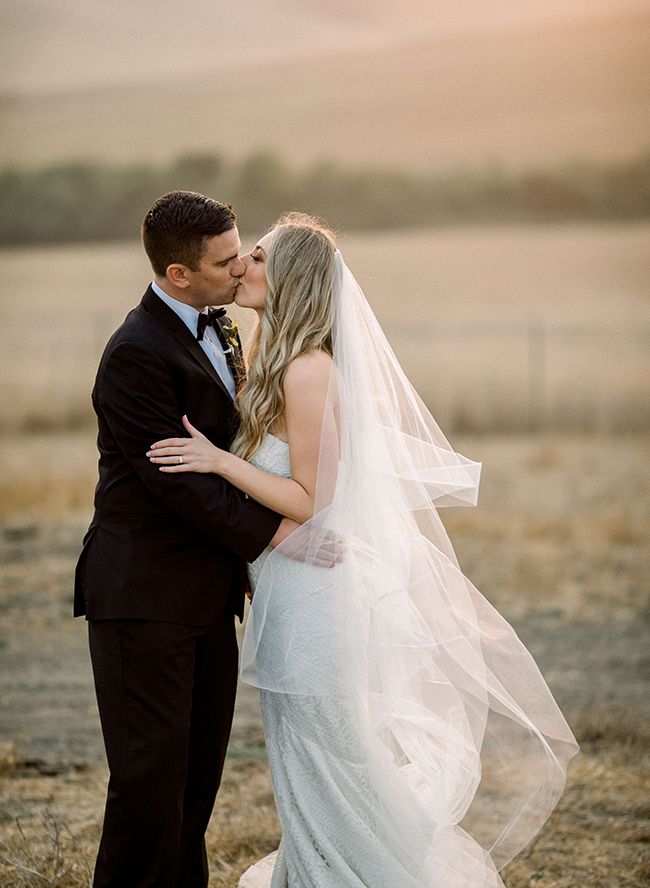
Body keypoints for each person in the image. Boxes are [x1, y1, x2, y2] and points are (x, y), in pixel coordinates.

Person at [148, 213, 579, 888]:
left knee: (332, 759)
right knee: (307, 762)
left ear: (287, 278)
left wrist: (217, 463)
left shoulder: (309, 370)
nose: (242, 269)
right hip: (289, 588)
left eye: (256, 258)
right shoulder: (277, 360)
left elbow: (312, 499)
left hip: (316, 600)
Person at [74, 191, 303, 888]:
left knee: (194, 787)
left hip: (206, 598)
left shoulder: (219, 325)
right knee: (149, 787)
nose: (241, 270)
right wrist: (279, 536)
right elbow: (180, 484)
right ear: (179, 274)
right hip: (144, 596)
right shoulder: (135, 355)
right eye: (226, 260)